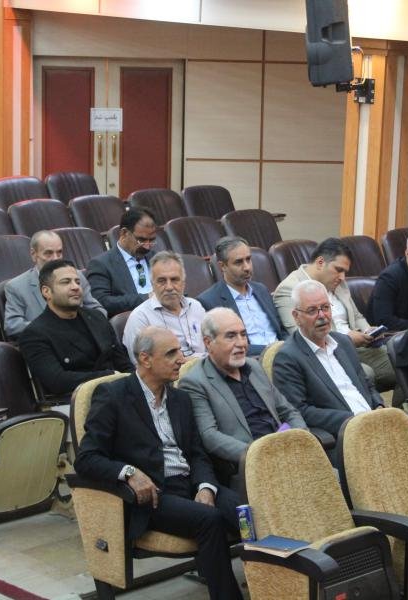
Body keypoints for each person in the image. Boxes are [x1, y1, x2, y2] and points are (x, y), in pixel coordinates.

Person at [74, 326, 243, 600]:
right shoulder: (113, 396)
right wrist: (128, 473)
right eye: (171, 353)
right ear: (145, 359)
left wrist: (205, 487)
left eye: (180, 351)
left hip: (189, 483)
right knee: (209, 519)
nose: (182, 359)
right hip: (152, 495)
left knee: (245, 512)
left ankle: (276, 586)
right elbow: (86, 459)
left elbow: (197, 453)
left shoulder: (180, 398)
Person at [178, 308, 306, 466]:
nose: (241, 343)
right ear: (208, 342)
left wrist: (302, 439)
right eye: (231, 336)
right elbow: (210, 436)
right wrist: (261, 455)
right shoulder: (195, 382)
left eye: (243, 335)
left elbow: (288, 411)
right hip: (251, 463)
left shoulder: (254, 366)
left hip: (289, 450)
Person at [273, 238, 395, 390]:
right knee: (366, 373)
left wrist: (368, 330)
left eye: (345, 272)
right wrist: (348, 339)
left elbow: (357, 316)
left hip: (358, 346)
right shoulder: (290, 289)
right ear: (320, 262)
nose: (343, 277)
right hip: (326, 353)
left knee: (403, 360)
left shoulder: (338, 283)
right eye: (338, 270)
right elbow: (302, 335)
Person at [273, 280, 383, 437]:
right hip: (345, 434)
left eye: (325, 307)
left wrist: (379, 405)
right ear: (296, 317)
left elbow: (366, 384)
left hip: (375, 421)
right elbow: (300, 411)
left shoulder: (343, 342)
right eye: (312, 310)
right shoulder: (287, 358)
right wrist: (353, 420)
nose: (322, 316)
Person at [19, 259, 131, 397]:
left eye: (77, 282)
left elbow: (123, 363)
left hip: (118, 392)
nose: (75, 287)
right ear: (46, 291)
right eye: (66, 282)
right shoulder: (34, 334)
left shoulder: (97, 317)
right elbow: (57, 381)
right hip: (77, 400)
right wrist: (110, 376)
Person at [3, 230, 105, 339]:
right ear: (34, 254)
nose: (55, 258)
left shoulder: (76, 276)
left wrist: (80, 324)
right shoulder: (16, 286)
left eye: (59, 252)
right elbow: (13, 326)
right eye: (48, 253)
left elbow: (99, 311)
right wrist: (54, 327)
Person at [196, 237, 286, 356]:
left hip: (283, 354)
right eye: (238, 262)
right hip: (251, 359)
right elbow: (229, 345)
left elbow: (281, 330)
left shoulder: (261, 289)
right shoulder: (209, 301)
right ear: (222, 266)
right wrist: (274, 350)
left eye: (248, 259)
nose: (247, 267)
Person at [122, 251, 206, 364]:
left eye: (174, 280)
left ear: (183, 283)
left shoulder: (196, 306)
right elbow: (142, 365)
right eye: (161, 281)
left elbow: (212, 346)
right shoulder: (140, 318)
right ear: (152, 284)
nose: (169, 287)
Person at [86, 208, 158, 317]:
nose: (147, 246)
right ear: (124, 233)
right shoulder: (101, 264)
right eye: (141, 240)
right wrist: (146, 298)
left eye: (151, 240)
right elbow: (101, 302)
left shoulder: (157, 258)